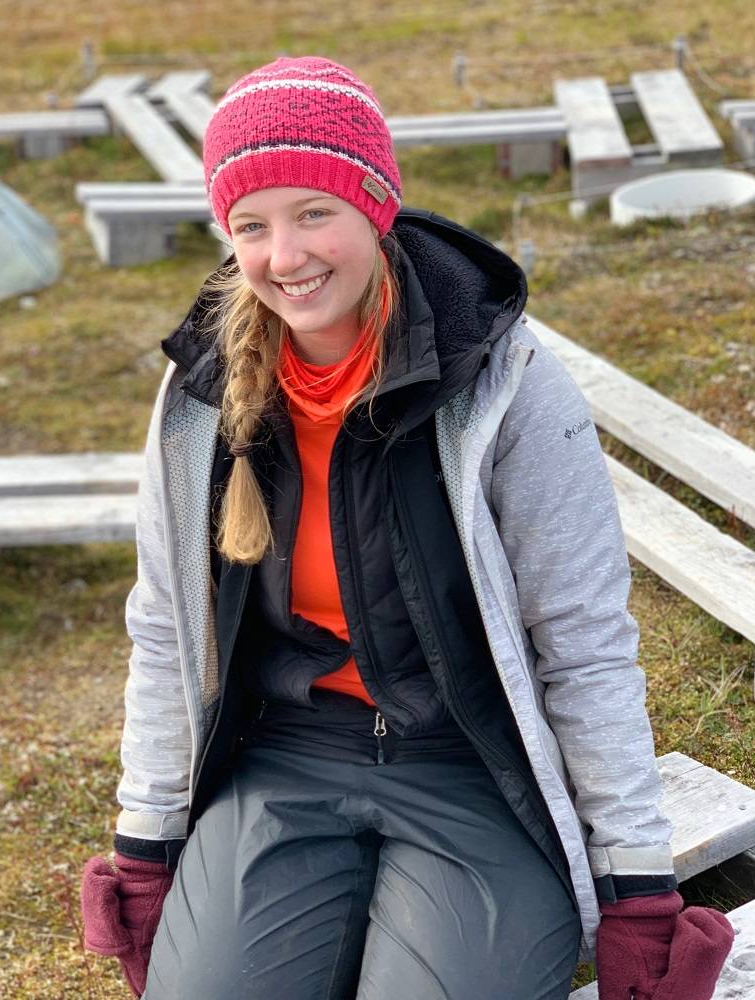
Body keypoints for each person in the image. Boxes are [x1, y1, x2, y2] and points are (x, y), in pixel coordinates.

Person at [79, 57, 734, 1000]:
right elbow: (163, 628)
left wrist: (637, 884)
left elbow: (583, 644)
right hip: (286, 757)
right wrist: (145, 846)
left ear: (376, 207)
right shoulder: (200, 400)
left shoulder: (501, 382)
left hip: (474, 767)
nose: (285, 256)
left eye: (314, 213)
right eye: (251, 226)